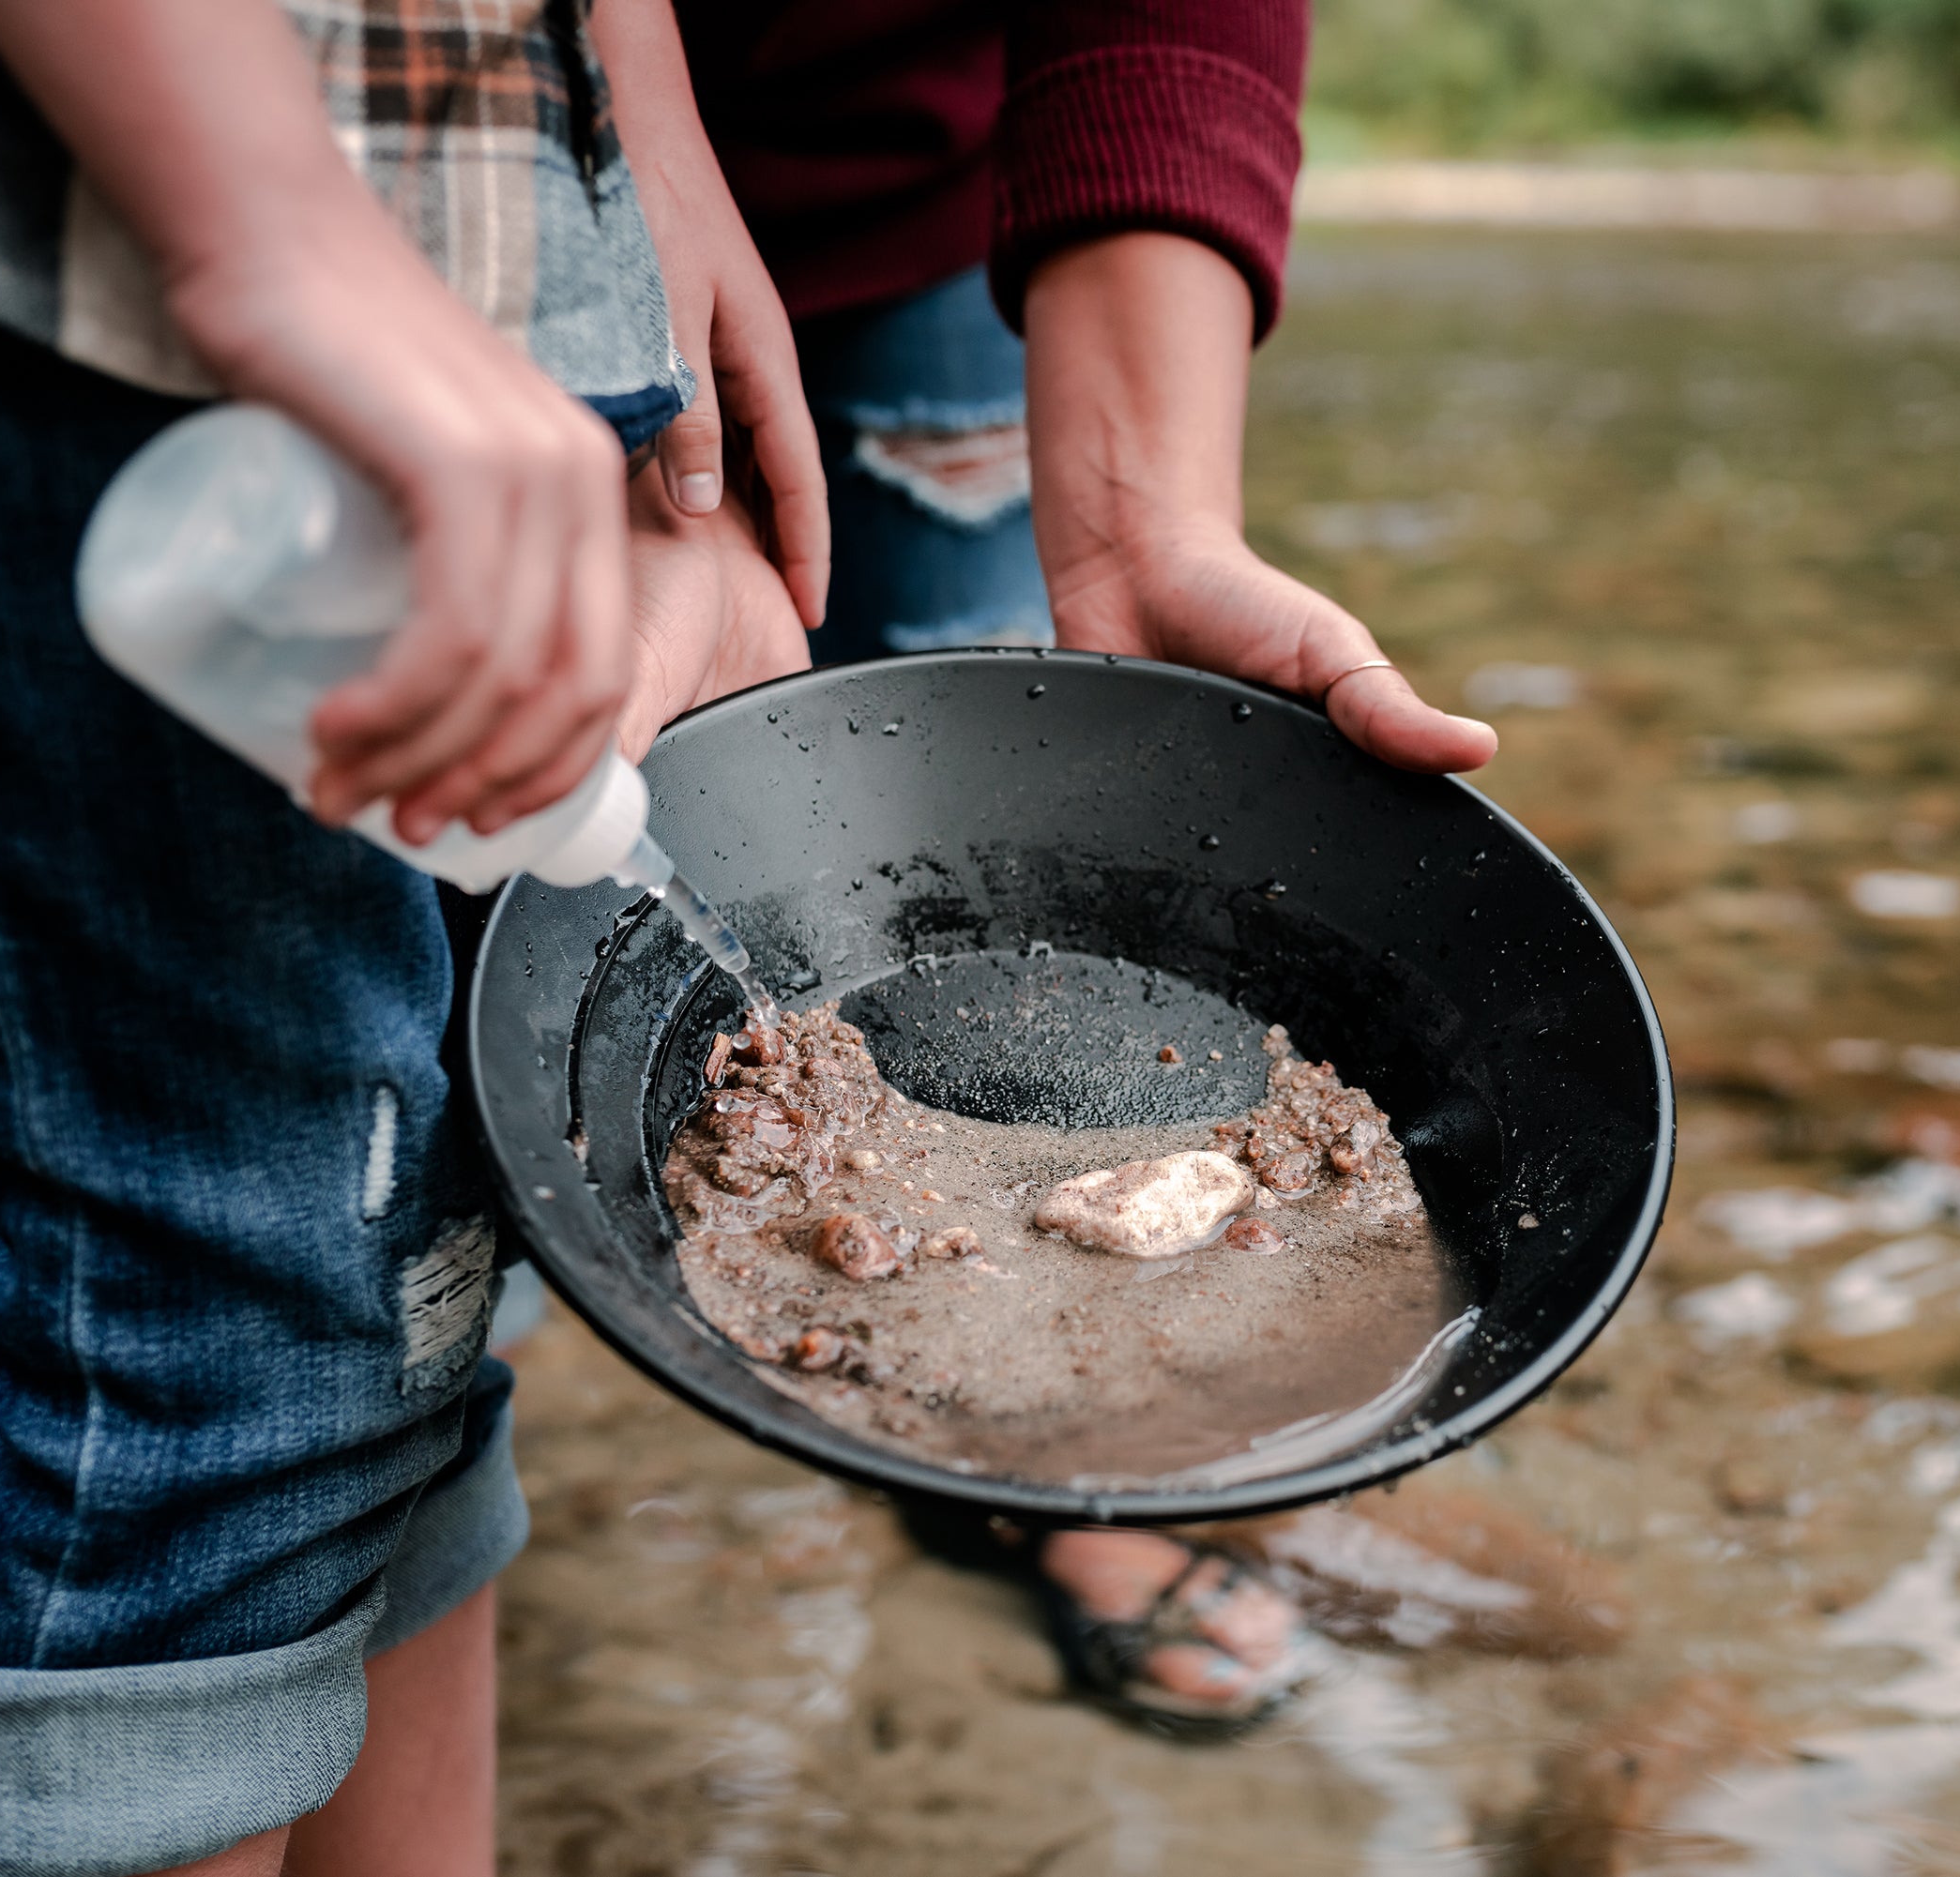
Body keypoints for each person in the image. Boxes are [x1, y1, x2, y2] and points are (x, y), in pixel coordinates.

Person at [0, 3, 803, 1873]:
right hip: (54, 219)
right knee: (225, 1337)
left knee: (413, 1278)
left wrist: (649, 157)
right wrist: (270, 222)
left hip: (503, 239)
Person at [589, 0, 1498, 1737]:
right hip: (487, 170)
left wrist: (1154, 517)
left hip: (947, 161)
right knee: (550, 836)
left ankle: (1079, 1471)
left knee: (987, 752)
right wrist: (621, 214)